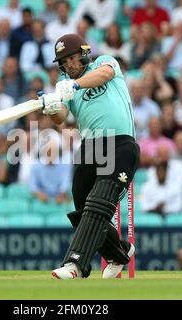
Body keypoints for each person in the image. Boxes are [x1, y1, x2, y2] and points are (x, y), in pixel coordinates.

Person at [39, 34, 140, 279]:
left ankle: (75, 264)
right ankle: (120, 252)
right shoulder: (64, 83)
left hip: (121, 144)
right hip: (91, 148)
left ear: (84, 54)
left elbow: (103, 75)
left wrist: (74, 86)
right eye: (64, 62)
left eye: (73, 58)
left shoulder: (105, 62)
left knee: (100, 199)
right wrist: (52, 106)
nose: (69, 65)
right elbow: (61, 116)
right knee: (83, 207)